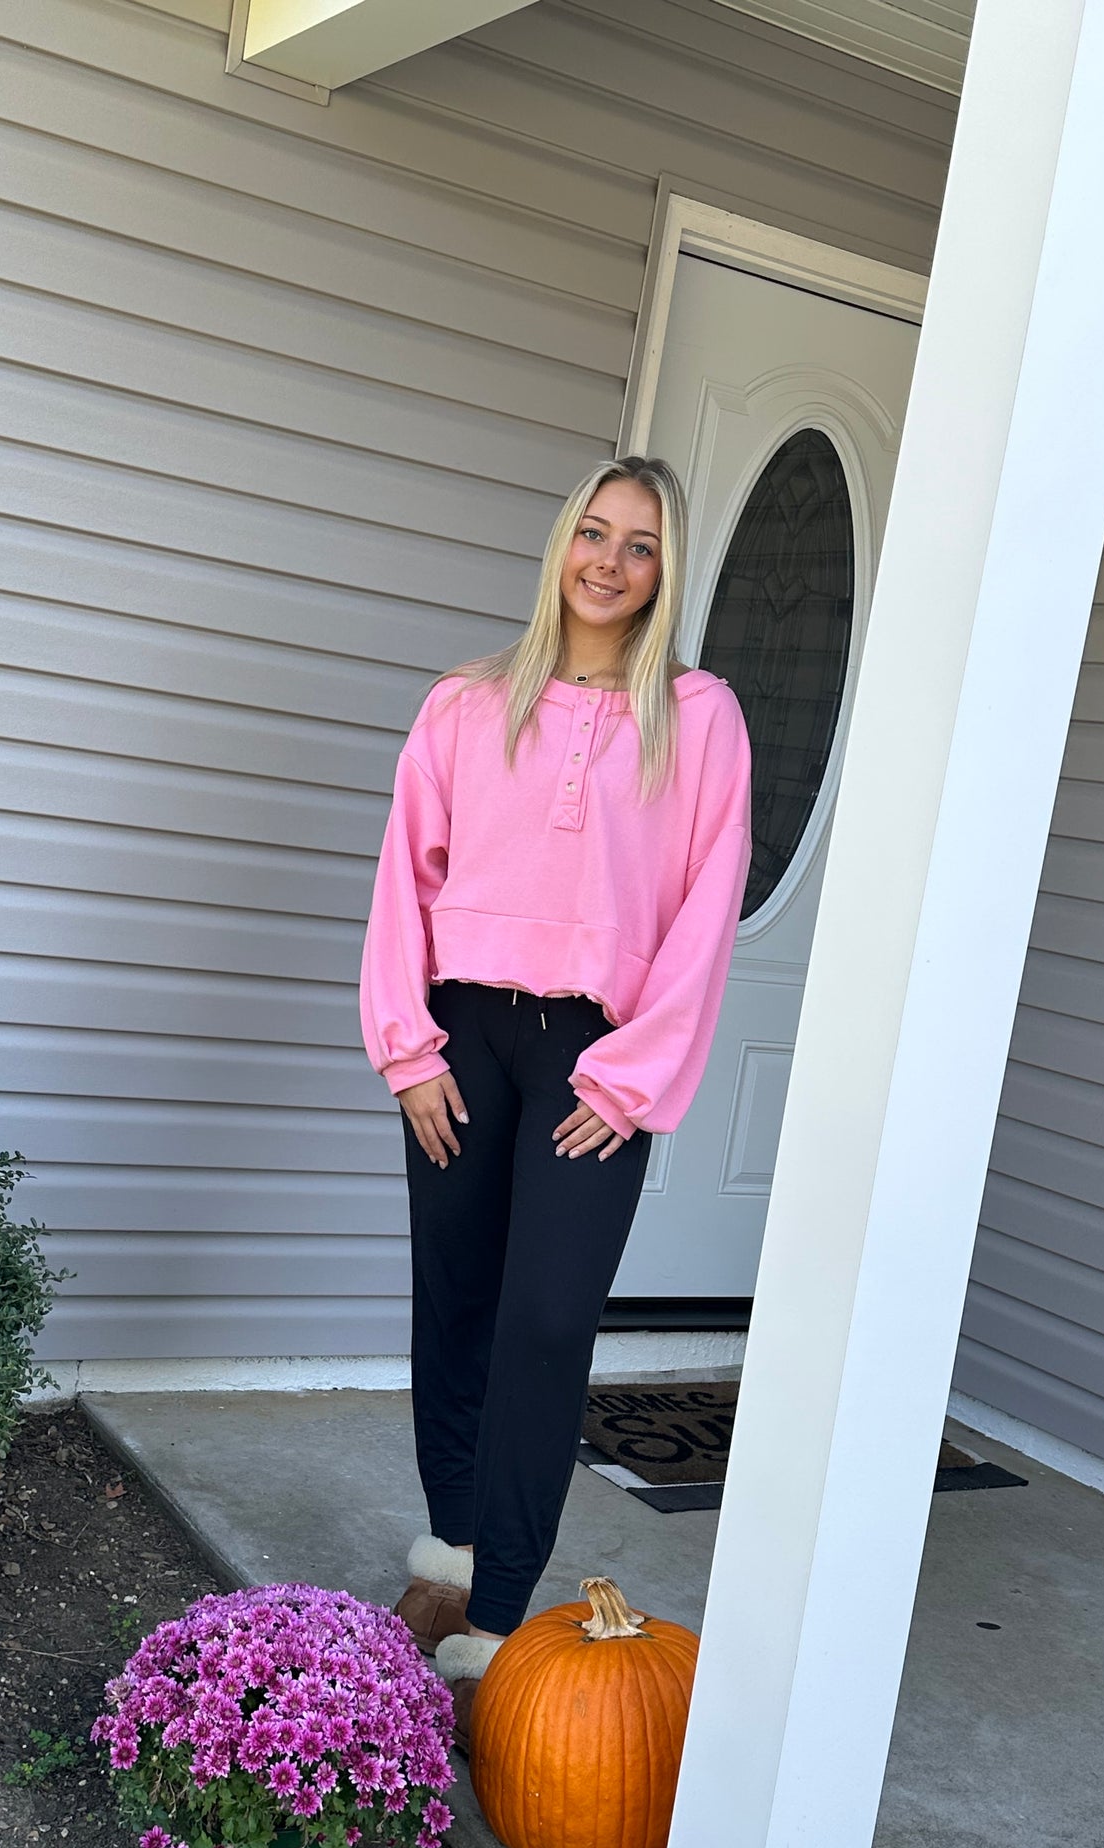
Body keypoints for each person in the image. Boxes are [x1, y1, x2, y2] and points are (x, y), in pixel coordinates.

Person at [358, 454, 753, 1743]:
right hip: (464, 1035)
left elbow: (705, 910)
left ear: (664, 571)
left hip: (597, 1058)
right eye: (594, 532)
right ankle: (449, 1558)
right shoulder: (468, 705)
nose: (610, 561)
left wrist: (635, 1081)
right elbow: (402, 887)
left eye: (641, 545)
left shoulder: (700, 718)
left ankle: (504, 1615)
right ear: (561, 545)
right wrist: (409, 1052)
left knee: (542, 1321)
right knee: (457, 1299)